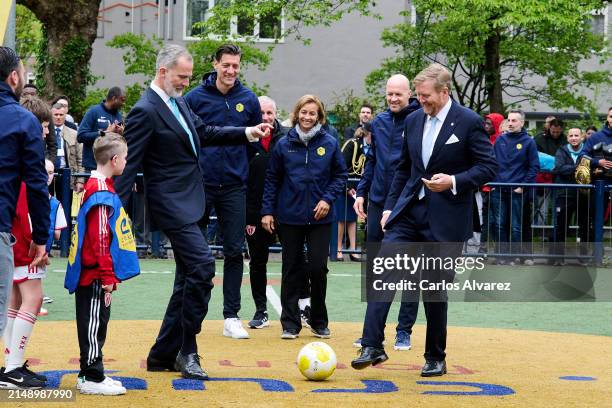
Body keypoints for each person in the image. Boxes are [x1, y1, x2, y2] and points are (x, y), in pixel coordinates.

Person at [114, 44, 269, 381]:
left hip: (192, 201)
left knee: (186, 278)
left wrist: (246, 132)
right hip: (170, 205)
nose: (187, 82)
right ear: (163, 72)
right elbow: (129, 166)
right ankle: (188, 349)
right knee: (201, 267)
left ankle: (161, 354)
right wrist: (113, 215)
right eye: (182, 77)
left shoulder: (177, 101)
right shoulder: (145, 109)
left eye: (187, 77)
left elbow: (205, 132)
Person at [351, 63, 497, 376]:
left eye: (426, 96)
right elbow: (404, 168)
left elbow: (488, 167)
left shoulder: (469, 122)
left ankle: (435, 357)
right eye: (418, 95)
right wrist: (390, 207)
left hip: (447, 217)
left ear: (445, 92)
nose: (421, 101)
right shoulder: (414, 119)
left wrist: (454, 181)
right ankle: (372, 344)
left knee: (433, 289)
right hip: (408, 212)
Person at [184, 44, 261, 339]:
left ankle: (231, 316)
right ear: (215, 64)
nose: (230, 71)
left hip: (233, 187)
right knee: (194, 251)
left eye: (236, 66)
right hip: (201, 185)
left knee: (233, 251)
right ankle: (191, 313)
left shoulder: (249, 100)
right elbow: (190, 139)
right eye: (226, 65)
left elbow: (254, 146)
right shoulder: (194, 98)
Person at [261, 94, 348, 340]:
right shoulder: (283, 144)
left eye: (312, 113)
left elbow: (340, 175)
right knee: (291, 269)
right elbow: (272, 179)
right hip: (289, 217)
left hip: (320, 217)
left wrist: (327, 199)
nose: (307, 117)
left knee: (318, 267)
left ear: (319, 116)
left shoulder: (330, 143)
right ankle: (290, 324)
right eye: (303, 112)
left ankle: (319, 321)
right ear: (296, 113)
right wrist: (267, 210)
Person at [65, 133, 138, 395]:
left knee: (95, 322)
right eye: (126, 158)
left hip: (93, 272)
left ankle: (92, 372)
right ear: (115, 159)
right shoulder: (101, 191)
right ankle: (91, 376)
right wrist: (107, 275)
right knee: (94, 323)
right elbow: (100, 238)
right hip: (95, 274)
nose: (127, 163)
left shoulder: (95, 185)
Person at [353, 74, 421, 350]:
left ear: (409, 94)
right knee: (377, 270)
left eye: (399, 94)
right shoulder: (378, 123)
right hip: (378, 203)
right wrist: (361, 193)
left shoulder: (419, 120)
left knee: (410, 271)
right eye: (389, 94)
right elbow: (371, 162)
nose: (393, 98)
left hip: (408, 205)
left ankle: (404, 330)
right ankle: (373, 332)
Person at [0, 46, 49, 357]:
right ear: (14, 77)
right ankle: (12, 367)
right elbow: (35, 184)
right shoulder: (21, 120)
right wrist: (41, 237)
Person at [245, 96, 288, 329]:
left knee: (293, 261)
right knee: (257, 262)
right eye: (261, 113)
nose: (266, 118)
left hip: (284, 210)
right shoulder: (245, 140)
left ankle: (294, 310)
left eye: (270, 113)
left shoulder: (286, 139)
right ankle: (261, 310)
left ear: (276, 114)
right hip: (253, 211)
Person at [488, 110, 539, 265]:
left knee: (516, 226)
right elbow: (492, 163)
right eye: (509, 120)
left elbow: (533, 166)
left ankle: (517, 256)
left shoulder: (528, 142)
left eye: (514, 120)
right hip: (499, 189)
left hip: (517, 190)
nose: (510, 123)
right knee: (499, 224)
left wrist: (523, 186)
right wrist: (494, 184)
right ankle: (503, 256)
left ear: (522, 123)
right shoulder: (500, 140)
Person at [552, 128, 589, 264]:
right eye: (571, 135)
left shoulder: (587, 151)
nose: (574, 138)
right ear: (567, 138)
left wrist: (571, 169)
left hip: (583, 195)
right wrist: (578, 168)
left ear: (582, 137)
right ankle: (558, 258)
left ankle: (584, 257)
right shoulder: (561, 151)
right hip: (564, 194)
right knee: (561, 227)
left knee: (584, 227)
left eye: (576, 135)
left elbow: (590, 169)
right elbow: (559, 169)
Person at [77, 87, 126, 171]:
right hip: (94, 167)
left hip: (112, 167)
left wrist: (121, 134)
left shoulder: (119, 115)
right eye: (122, 100)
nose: (123, 103)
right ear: (114, 98)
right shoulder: (93, 111)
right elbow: (81, 136)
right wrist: (105, 133)